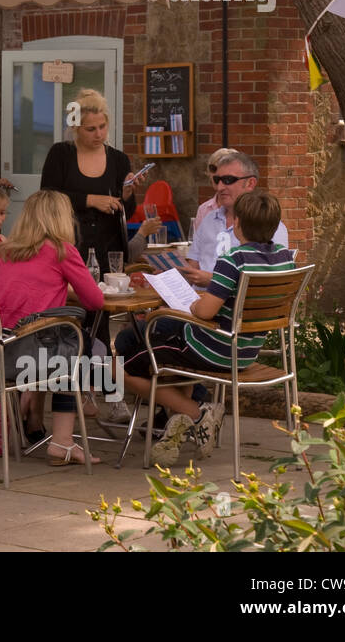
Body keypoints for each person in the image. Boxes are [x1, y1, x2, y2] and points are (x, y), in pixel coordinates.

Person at [115, 190, 291, 464]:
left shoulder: (233, 260)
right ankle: (177, 428)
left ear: (238, 223)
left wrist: (186, 306)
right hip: (245, 352)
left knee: (122, 366)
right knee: (163, 349)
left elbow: (205, 311)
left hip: (211, 349)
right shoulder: (283, 258)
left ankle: (198, 413)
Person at [0, 190, 104, 466]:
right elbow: (95, 300)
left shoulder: (6, 251)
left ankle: (57, 409)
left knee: (64, 342)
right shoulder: (62, 250)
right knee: (77, 343)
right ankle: (63, 439)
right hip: (29, 356)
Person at [40, 88, 145, 297]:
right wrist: (89, 200)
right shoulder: (61, 154)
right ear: (76, 128)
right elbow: (47, 199)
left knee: (102, 312)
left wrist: (126, 195)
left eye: (102, 127)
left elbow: (127, 213)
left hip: (107, 250)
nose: (99, 134)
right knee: (69, 308)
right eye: (90, 129)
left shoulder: (119, 159)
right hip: (68, 246)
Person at [182, 150, 289, 288]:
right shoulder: (208, 220)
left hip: (237, 306)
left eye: (228, 180)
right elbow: (193, 266)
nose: (220, 187)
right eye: (217, 180)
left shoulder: (268, 227)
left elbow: (269, 281)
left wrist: (215, 280)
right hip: (196, 300)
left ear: (250, 183)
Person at [191, 148, 238, 233]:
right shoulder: (204, 209)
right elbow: (198, 243)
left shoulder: (249, 208)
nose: (218, 174)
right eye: (214, 169)